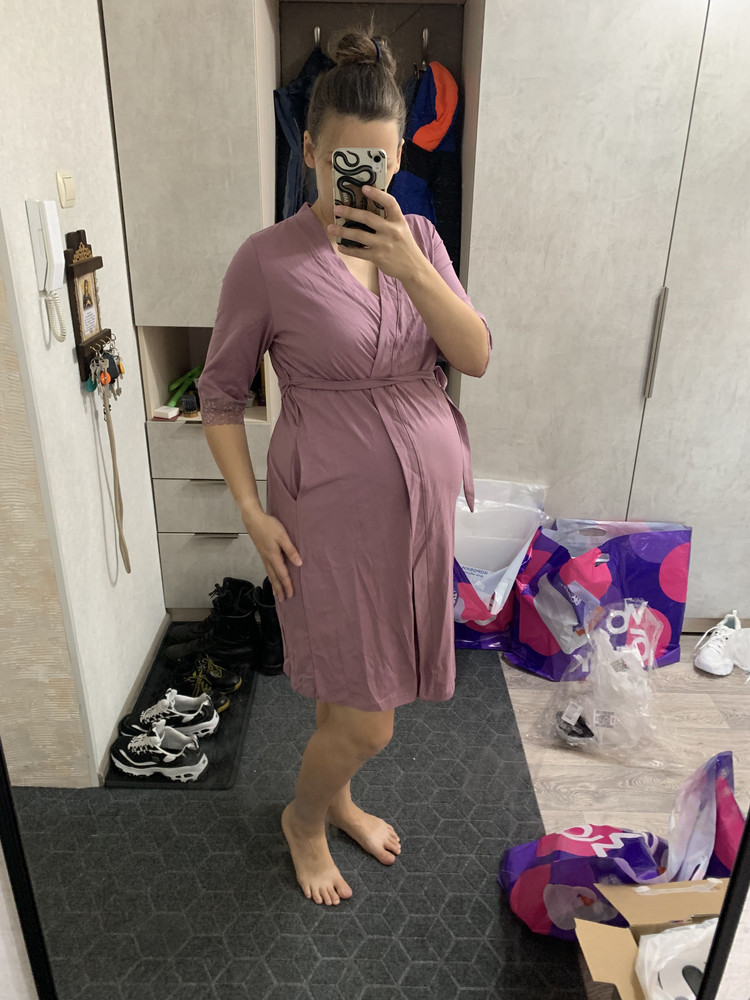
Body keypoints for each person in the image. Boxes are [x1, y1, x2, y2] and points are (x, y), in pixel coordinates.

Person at [196, 22, 492, 907]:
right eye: (341, 163)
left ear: (397, 155)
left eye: (378, 162)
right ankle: (303, 818)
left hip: (417, 514)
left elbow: (474, 357)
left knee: (354, 689)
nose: (360, 180)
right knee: (369, 718)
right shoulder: (266, 260)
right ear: (311, 151)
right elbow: (220, 395)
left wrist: (411, 266)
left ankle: (340, 799)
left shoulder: (421, 241)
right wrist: (251, 513)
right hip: (325, 512)